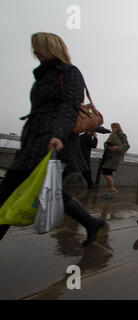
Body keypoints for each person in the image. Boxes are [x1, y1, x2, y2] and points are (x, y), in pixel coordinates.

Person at [0, 32, 104, 245]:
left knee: (9, 191)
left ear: (51, 48)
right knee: (49, 190)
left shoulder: (69, 72)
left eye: (38, 47)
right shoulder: (43, 76)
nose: (35, 51)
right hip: (35, 139)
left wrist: (58, 134)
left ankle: (90, 223)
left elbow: (70, 105)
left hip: (53, 141)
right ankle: (90, 223)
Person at [100, 123, 129, 199]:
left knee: (106, 173)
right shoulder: (112, 135)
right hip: (108, 155)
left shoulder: (122, 135)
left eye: (114, 127)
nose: (113, 129)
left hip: (114, 157)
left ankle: (112, 190)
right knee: (107, 173)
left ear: (118, 127)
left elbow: (126, 144)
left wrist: (117, 147)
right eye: (112, 127)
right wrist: (107, 146)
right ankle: (110, 190)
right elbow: (106, 143)